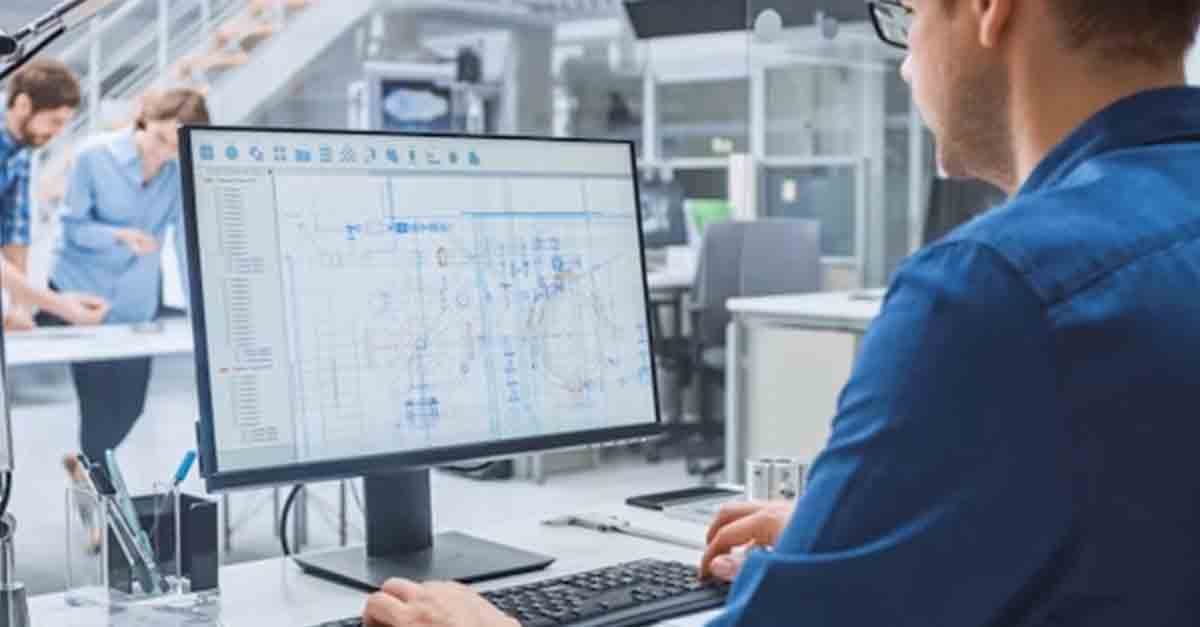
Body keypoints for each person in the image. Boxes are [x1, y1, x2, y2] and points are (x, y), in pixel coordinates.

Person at [358, 0, 1200, 625]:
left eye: (905, 13)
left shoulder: (992, 291)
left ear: (987, 9)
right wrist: (870, 526)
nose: (906, 58)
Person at [43, 88, 210, 466]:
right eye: (160, 138)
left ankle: (88, 468)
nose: (165, 152)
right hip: (83, 297)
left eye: (175, 144)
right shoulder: (93, 156)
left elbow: (187, 242)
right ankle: (97, 494)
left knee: (131, 406)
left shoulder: (178, 170)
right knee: (98, 407)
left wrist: (198, 310)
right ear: (144, 121)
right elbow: (71, 230)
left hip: (137, 304)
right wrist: (118, 236)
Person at [0, 59, 108, 330]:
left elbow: (16, 233)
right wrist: (59, 305)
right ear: (23, 104)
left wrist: (20, 306)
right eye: (54, 121)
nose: (58, 132)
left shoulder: (21, 150)